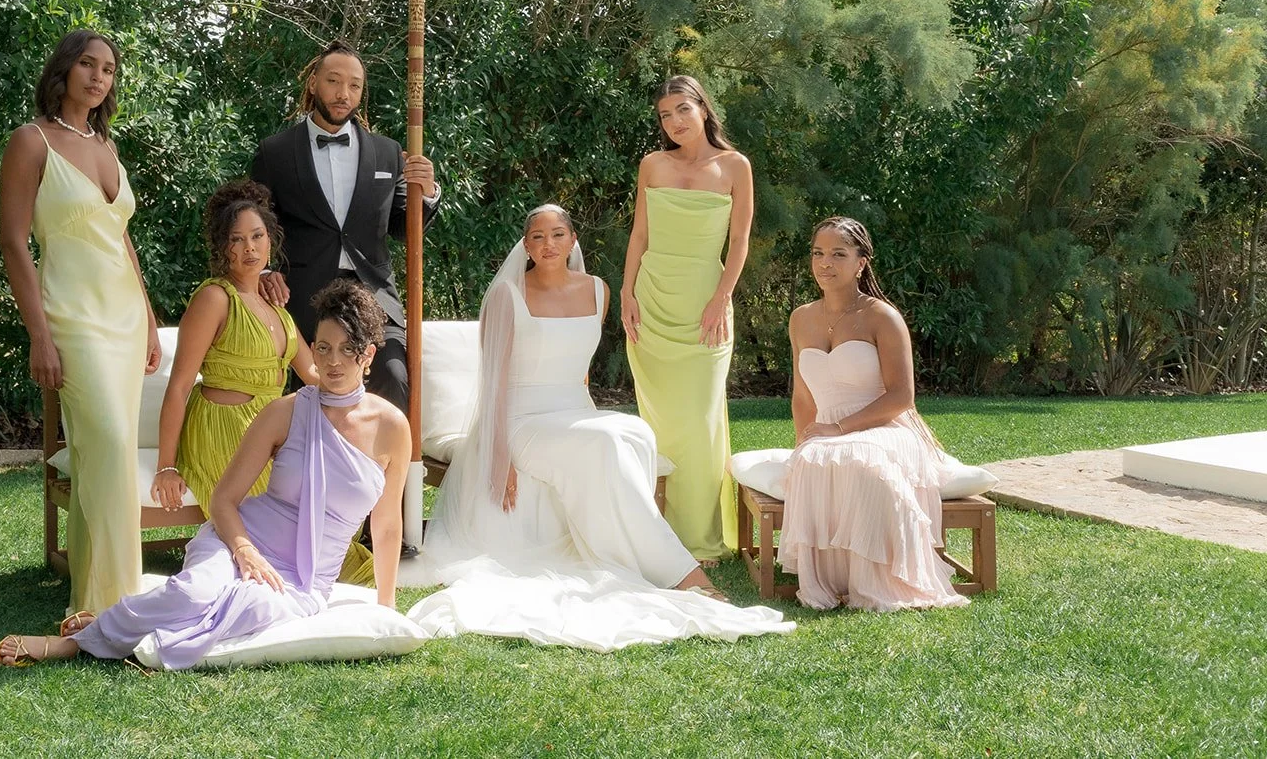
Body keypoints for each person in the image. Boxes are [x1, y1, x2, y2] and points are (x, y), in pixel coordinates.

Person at [407, 207, 794, 652]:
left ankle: (629, 552)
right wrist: (499, 456)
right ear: (526, 246)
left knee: (634, 434)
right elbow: (493, 384)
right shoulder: (506, 296)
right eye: (537, 236)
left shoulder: (598, 291)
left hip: (575, 413)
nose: (547, 244)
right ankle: (684, 575)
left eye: (557, 234)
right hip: (522, 421)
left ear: (573, 240)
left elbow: (582, 372)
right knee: (607, 441)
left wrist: (586, 415)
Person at [0, 280, 412, 670]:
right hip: (241, 538)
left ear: (369, 355)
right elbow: (224, 500)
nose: (332, 361)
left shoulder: (392, 428)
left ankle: (116, 626)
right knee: (195, 592)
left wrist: (386, 605)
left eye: (346, 349)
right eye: (323, 348)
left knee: (252, 608)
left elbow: (388, 522)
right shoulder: (285, 412)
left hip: (305, 580)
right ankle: (78, 640)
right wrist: (244, 550)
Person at [0, 29, 161, 616]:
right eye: (88, 65)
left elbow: (122, 241)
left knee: (100, 457)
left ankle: (95, 601)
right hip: (72, 319)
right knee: (114, 448)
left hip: (122, 318)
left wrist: (147, 316)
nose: (98, 77)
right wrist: (39, 333)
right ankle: (125, 603)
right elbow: (14, 243)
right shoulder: (31, 141)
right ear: (64, 70)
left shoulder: (106, 146)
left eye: (109, 70)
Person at [148, 179, 375, 586]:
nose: (249, 248)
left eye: (257, 236)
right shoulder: (215, 298)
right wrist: (167, 465)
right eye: (236, 240)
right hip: (222, 426)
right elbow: (180, 384)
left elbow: (313, 373)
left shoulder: (274, 304)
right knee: (292, 526)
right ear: (223, 247)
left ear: (271, 242)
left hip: (273, 427)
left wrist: (359, 364)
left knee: (324, 518)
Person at [780, 216, 969, 611]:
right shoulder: (800, 318)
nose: (824, 263)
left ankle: (884, 579)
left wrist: (839, 428)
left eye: (838, 254)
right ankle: (837, 578)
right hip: (828, 428)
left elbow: (902, 396)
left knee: (858, 458)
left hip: (884, 425)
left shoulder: (882, 316)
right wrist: (805, 439)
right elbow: (802, 395)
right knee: (816, 458)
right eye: (817, 253)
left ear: (861, 262)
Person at [250, 41, 440, 417]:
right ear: (313, 84)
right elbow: (256, 223)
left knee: (394, 377)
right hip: (301, 299)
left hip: (373, 297)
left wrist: (429, 192)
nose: (343, 93)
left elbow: (404, 228)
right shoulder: (275, 152)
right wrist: (266, 271)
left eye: (354, 85)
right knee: (304, 401)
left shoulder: (387, 152)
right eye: (334, 81)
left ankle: (388, 475)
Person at [621, 75, 752, 563]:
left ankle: (701, 538)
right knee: (659, 420)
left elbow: (739, 243)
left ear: (703, 108)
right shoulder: (652, 164)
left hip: (705, 304)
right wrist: (626, 292)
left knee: (699, 420)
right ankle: (662, 531)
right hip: (653, 300)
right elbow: (639, 235)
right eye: (664, 115)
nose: (674, 122)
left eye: (682, 110)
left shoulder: (735, 165)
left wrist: (721, 297)